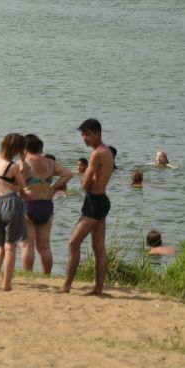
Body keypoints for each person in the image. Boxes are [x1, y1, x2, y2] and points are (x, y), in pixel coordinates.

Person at [59, 118, 112, 296]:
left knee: (73, 243)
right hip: (101, 200)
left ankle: (66, 286)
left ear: (98, 134)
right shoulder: (107, 151)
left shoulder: (97, 153)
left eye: (88, 134)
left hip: (95, 202)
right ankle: (98, 289)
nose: (85, 138)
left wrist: (87, 183)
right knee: (98, 247)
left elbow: (83, 183)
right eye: (83, 134)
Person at [20, 135, 74, 276]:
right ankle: (46, 276)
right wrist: (54, 188)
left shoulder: (24, 162)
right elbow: (68, 174)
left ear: (25, 148)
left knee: (27, 245)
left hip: (28, 205)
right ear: (40, 147)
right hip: (46, 206)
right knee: (45, 247)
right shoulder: (50, 163)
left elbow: (16, 182)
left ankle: (28, 275)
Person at [0, 133, 30, 292]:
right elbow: (22, 184)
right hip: (11, 204)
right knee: (10, 247)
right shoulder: (13, 166)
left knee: (0, 247)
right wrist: (23, 161)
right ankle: (7, 284)